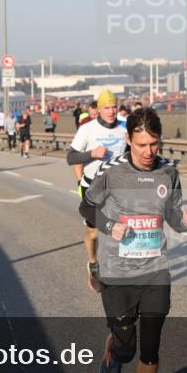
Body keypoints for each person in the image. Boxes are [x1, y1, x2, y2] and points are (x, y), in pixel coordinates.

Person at [84, 107, 187, 373]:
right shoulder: (111, 171)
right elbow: (86, 206)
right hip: (118, 273)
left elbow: (174, 215)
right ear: (128, 140)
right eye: (141, 146)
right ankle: (113, 352)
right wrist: (110, 225)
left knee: (150, 349)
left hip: (154, 271)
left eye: (154, 144)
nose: (149, 153)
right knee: (127, 347)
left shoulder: (169, 172)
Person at [67, 90, 129, 271]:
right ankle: (93, 262)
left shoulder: (126, 126)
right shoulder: (87, 129)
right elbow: (71, 158)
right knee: (93, 233)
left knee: (120, 229)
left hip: (117, 188)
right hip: (92, 188)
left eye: (114, 107)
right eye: (106, 108)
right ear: (99, 110)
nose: (111, 112)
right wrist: (92, 154)